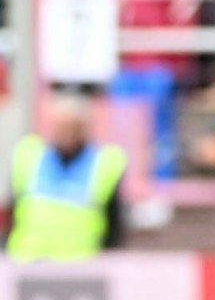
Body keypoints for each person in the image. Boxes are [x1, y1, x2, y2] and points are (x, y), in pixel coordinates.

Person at [4, 93, 128, 260]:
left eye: (72, 126)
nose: (66, 133)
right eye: (61, 126)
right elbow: (12, 212)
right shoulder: (29, 157)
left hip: (82, 267)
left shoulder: (105, 164)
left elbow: (114, 224)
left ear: (85, 129)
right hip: (28, 263)